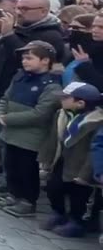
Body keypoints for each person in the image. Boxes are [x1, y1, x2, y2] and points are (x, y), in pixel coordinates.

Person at [0, 40, 62, 217]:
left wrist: (8, 118)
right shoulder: (20, 77)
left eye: (29, 58)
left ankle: (28, 201)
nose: (24, 61)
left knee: (26, 169)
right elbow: (6, 98)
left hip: (30, 137)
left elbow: (40, 114)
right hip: (11, 133)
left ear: (45, 60)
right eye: (23, 58)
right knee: (11, 165)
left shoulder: (51, 85)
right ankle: (14, 194)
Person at [44, 82, 103, 237]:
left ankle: (77, 222)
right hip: (63, 161)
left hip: (81, 166)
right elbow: (53, 139)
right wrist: (47, 158)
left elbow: (94, 150)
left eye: (66, 98)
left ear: (80, 103)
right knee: (53, 188)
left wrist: (86, 174)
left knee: (80, 198)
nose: (61, 100)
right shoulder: (63, 115)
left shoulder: (96, 122)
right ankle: (58, 212)